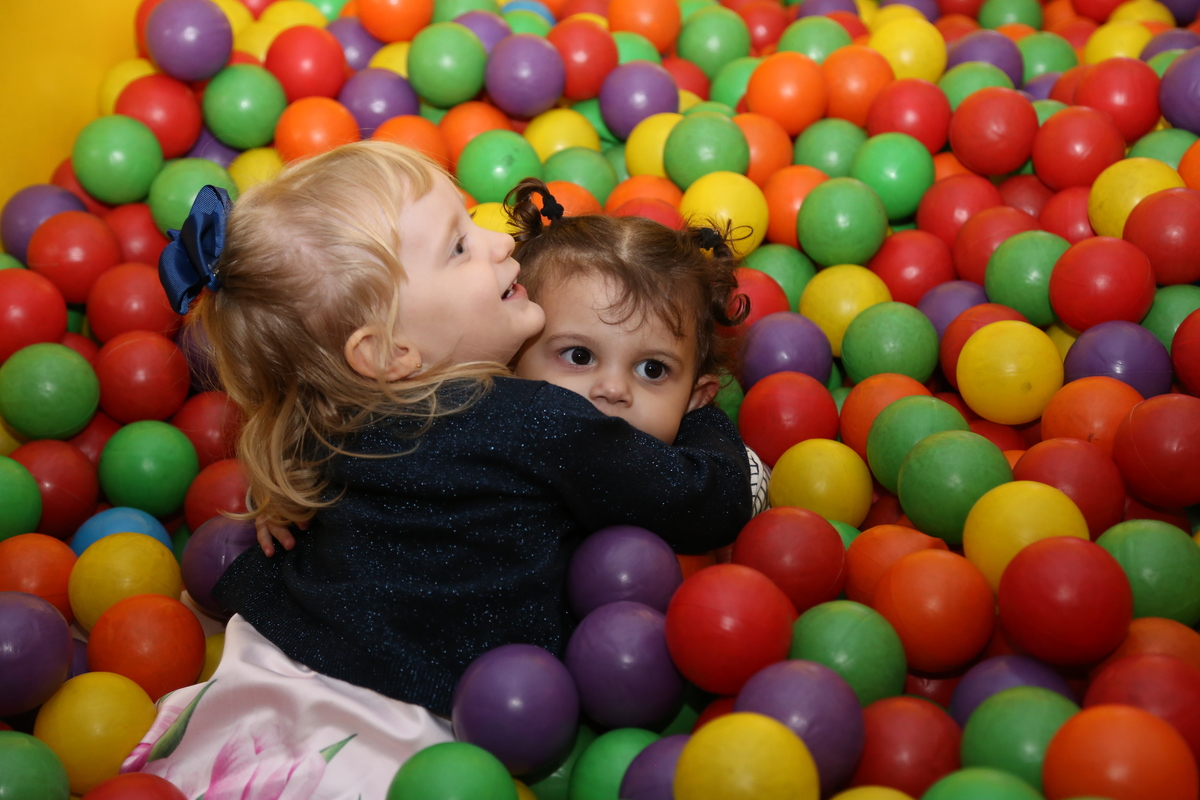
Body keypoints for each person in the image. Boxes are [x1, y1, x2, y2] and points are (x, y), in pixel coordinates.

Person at [124, 141, 753, 798]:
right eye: (458, 246)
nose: (496, 240)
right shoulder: (540, 420)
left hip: (285, 646)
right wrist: (702, 415)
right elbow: (706, 501)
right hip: (408, 712)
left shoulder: (337, 406)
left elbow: (293, 437)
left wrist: (279, 500)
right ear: (390, 350)